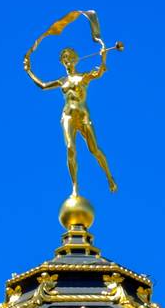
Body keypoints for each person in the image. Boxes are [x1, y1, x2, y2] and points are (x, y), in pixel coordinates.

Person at [24, 39, 118, 197]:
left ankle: (109, 177)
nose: (67, 60)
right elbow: (43, 85)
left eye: (69, 57)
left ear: (75, 59)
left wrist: (103, 56)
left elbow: (100, 72)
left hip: (83, 115)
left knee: (94, 149)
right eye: (64, 59)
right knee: (70, 148)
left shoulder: (83, 77)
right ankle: (75, 187)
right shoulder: (62, 81)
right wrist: (29, 71)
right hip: (67, 115)